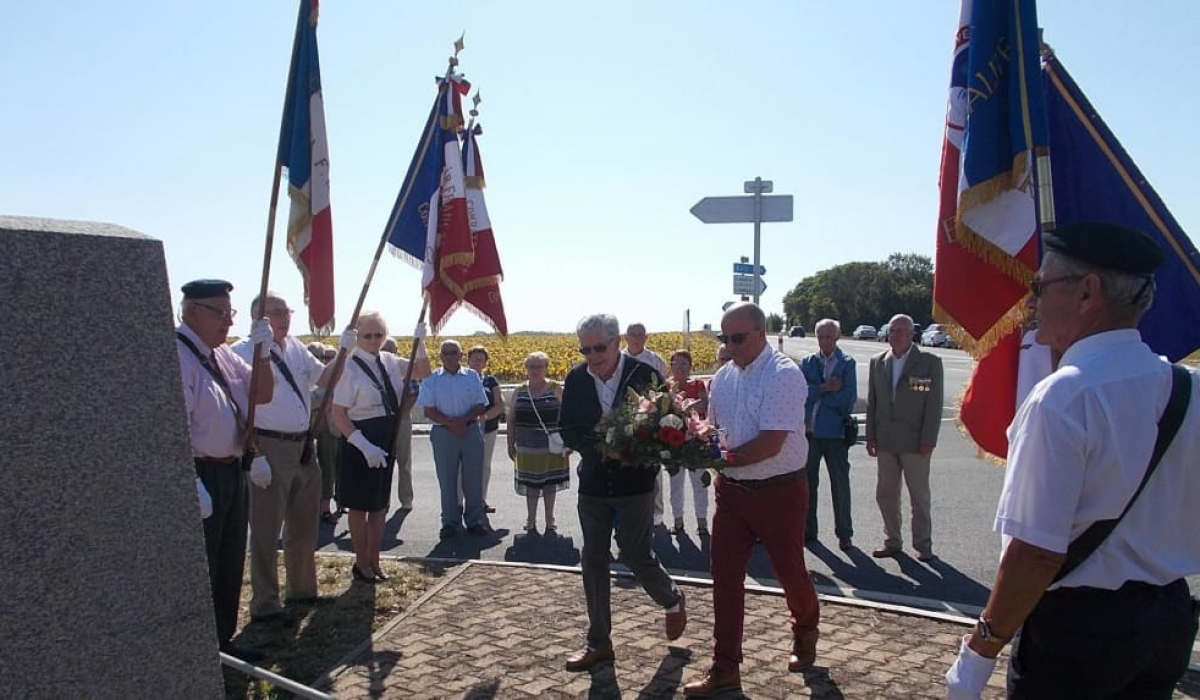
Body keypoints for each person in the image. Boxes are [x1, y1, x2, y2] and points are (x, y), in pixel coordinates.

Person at [945, 223, 1200, 699]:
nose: (1031, 302)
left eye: (1040, 286)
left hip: (1080, 633)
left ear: (1087, 292)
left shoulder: (1064, 396)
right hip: (1168, 620)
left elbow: (1035, 553)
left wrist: (978, 653)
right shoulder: (1189, 388)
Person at [682, 302, 820, 697]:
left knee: (789, 571)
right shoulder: (723, 377)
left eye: (738, 338)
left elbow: (771, 444)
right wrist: (696, 435)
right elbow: (716, 429)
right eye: (725, 338)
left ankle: (806, 624)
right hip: (733, 493)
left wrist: (720, 458)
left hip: (779, 491)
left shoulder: (783, 374)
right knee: (724, 577)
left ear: (761, 333)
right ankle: (725, 667)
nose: (730, 345)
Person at [559, 313, 686, 672]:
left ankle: (672, 598)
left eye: (599, 347)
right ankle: (598, 643)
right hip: (595, 484)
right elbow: (568, 429)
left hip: (635, 484)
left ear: (616, 343)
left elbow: (667, 422)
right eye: (586, 349)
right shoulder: (576, 379)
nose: (593, 355)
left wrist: (634, 446)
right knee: (593, 559)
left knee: (635, 553)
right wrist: (600, 446)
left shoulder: (644, 374)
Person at [176, 279, 275, 661]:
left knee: (231, 559)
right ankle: (200, 647)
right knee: (207, 562)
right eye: (220, 313)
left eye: (230, 314)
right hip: (203, 473)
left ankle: (223, 640)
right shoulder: (180, 355)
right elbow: (177, 425)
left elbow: (261, 394)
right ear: (192, 312)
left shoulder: (222, 355)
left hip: (232, 470)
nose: (228, 323)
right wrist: (191, 481)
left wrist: (263, 351)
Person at [232, 293, 339, 622]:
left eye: (286, 311)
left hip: (302, 444)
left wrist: (348, 350)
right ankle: (265, 602)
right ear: (257, 318)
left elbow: (326, 378)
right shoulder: (240, 351)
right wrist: (255, 454)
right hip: (268, 445)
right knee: (266, 529)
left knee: (303, 525)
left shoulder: (294, 346)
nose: (284, 317)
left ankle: (302, 589)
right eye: (277, 312)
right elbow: (238, 410)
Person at [330, 312, 428, 583]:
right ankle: (361, 562)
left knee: (379, 505)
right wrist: (362, 444)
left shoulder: (389, 360)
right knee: (359, 506)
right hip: (360, 438)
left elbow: (423, 373)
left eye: (379, 335)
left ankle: (375, 559)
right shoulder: (350, 368)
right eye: (367, 336)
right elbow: (338, 413)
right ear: (357, 337)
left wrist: (420, 344)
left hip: (387, 434)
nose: (374, 340)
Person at [865, 313, 944, 562]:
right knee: (886, 493)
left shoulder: (929, 362)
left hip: (915, 442)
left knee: (918, 496)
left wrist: (929, 440)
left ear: (912, 334)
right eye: (892, 330)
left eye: (900, 330)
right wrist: (871, 437)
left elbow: (934, 405)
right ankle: (892, 541)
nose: (894, 335)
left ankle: (923, 545)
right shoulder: (878, 361)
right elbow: (872, 403)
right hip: (886, 441)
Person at [418, 339, 490, 539]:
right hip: (443, 433)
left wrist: (462, 421)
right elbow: (428, 410)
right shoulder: (431, 380)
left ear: (461, 355)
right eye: (445, 353)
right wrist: (451, 423)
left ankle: (475, 520)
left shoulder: (472, 376)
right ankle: (450, 522)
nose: (449, 356)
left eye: (454, 352)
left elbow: (480, 405)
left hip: (470, 430)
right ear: (440, 357)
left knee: (473, 478)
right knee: (447, 480)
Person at [799, 319, 858, 551]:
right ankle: (808, 530)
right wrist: (826, 388)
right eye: (820, 336)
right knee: (807, 484)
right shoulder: (808, 362)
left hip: (835, 434)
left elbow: (847, 399)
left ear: (837, 337)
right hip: (810, 433)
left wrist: (821, 396)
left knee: (840, 485)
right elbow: (802, 393)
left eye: (829, 337)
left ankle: (844, 533)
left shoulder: (847, 363)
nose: (824, 341)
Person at [507, 351, 569, 532]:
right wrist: (510, 444)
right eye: (531, 366)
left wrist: (569, 442)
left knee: (550, 484)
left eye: (539, 366)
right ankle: (531, 519)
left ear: (546, 368)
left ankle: (550, 519)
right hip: (527, 446)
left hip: (552, 446)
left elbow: (567, 416)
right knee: (531, 485)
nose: (535, 370)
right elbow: (511, 420)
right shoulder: (519, 390)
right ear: (525, 368)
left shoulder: (555, 387)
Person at [622, 322, 670, 525]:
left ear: (646, 337)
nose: (635, 338)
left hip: (650, 419)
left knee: (652, 468)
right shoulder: (618, 359)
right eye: (632, 334)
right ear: (625, 337)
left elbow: (665, 389)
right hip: (623, 419)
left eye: (639, 334)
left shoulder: (654, 360)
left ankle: (656, 513)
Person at [665, 349, 709, 536]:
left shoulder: (698, 384)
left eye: (684, 363)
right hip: (673, 443)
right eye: (676, 363)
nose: (680, 367)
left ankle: (702, 523)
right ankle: (678, 522)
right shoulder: (666, 387)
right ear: (671, 366)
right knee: (676, 485)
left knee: (699, 484)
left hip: (696, 441)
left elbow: (704, 404)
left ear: (690, 366)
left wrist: (687, 406)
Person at [384, 336, 430, 512]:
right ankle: (383, 500)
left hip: (401, 418)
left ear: (396, 351)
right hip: (381, 418)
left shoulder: (404, 367)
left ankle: (406, 499)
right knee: (383, 462)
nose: (387, 352)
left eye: (390, 349)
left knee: (404, 460)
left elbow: (413, 393)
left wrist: (401, 413)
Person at [466, 345, 505, 514]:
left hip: (488, 428)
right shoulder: (462, 379)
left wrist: (484, 417)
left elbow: (499, 404)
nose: (477, 362)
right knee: (463, 466)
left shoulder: (491, 381)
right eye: (474, 359)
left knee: (484, 465)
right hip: (465, 428)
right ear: (468, 361)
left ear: (485, 363)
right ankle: (462, 503)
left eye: (481, 360)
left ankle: (481, 500)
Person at [306, 343, 341, 524]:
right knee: (307, 470)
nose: (321, 360)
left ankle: (325, 507)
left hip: (328, 428)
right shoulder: (303, 377)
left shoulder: (329, 379)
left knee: (328, 468)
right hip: (305, 430)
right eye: (316, 356)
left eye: (324, 357)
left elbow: (333, 400)